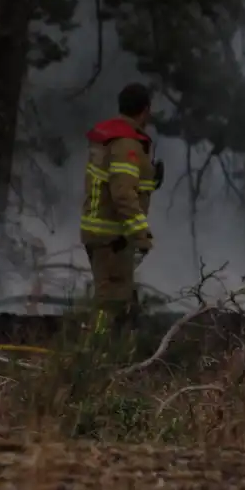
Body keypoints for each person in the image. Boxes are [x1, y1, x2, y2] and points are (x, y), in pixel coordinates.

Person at [80, 83, 159, 335]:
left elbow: (119, 183)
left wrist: (151, 179)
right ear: (145, 110)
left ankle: (114, 354)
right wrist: (141, 234)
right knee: (110, 302)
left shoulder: (112, 139)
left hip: (104, 234)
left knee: (118, 298)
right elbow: (122, 194)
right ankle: (93, 352)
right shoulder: (127, 144)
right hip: (112, 236)